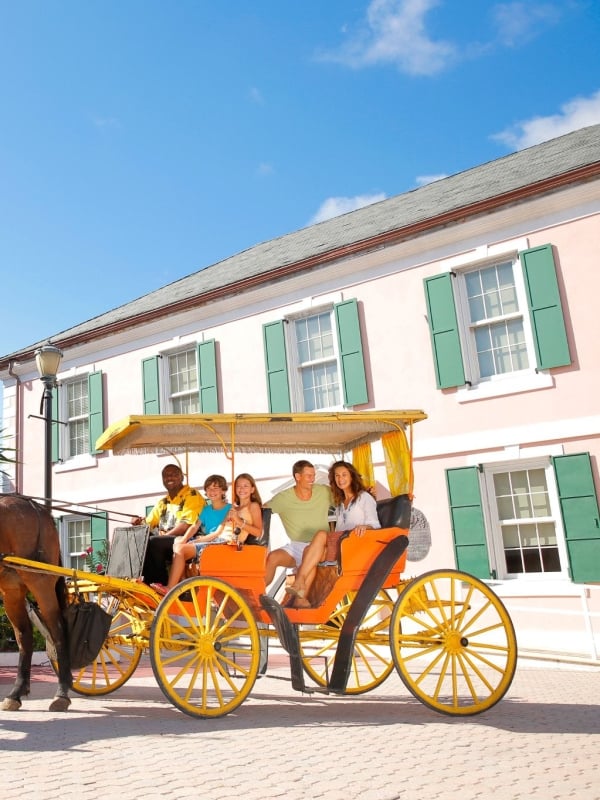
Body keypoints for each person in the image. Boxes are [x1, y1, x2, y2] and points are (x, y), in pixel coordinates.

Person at [285, 460, 380, 608]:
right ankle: (300, 599)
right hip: (342, 545)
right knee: (309, 551)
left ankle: (299, 582)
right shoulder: (340, 503)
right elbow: (338, 531)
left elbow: (376, 525)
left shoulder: (364, 497)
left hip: (356, 546)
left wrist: (365, 526)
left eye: (344, 475)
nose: (340, 479)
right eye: (337, 476)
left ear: (352, 476)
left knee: (322, 534)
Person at [152, 474, 232, 595]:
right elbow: (195, 526)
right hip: (207, 539)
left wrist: (195, 541)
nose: (212, 491)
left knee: (181, 548)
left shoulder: (229, 509)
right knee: (178, 541)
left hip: (218, 542)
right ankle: (183, 580)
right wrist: (184, 539)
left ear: (223, 490)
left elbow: (217, 532)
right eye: (209, 489)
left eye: (215, 488)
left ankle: (171, 587)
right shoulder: (206, 509)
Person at [130, 463, 204, 586]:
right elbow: (147, 524)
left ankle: (160, 584)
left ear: (182, 477)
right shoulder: (163, 502)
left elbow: (184, 527)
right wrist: (138, 522)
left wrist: (162, 537)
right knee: (140, 542)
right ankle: (141, 582)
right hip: (168, 541)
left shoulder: (192, 495)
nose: (170, 478)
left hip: (188, 540)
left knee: (154, 542)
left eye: (174, 474)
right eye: (166, 476)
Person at [264, 459, 332, 587]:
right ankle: (256, 596)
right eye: (309, 475)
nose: (313, 478)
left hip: (320, 547)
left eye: (313, 475)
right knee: (273, 557)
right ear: (298, 476)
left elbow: (346, 497)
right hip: (295, 546)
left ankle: (300, 591)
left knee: (308, 551)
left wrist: (366, 492)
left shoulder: (324, 491)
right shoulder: (283, 498)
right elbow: (262, 511)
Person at [229, 473, 264, 546]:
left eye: (245, 486)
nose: (241, 489)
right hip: (222, 540)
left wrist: (238, 521)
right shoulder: (233, 508)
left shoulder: (253, 506)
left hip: (233, 545)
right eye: (238, 486)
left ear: (252, 489)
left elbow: (258, 532)